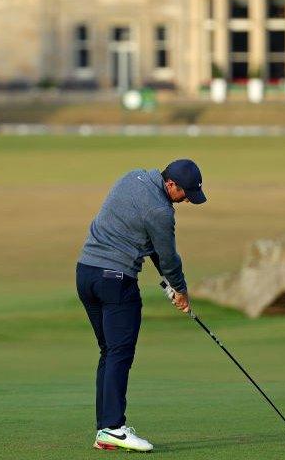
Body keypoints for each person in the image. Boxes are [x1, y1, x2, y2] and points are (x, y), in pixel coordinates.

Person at [76, 159, 206, 453]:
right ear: (171, 184)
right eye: (185, 193)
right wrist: (181, 290)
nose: (186, 199)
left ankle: (105, 430)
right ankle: (113, 428)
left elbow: (151, 247)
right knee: (119, 353)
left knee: (109, 351)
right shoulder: (160, 212)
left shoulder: (132, 176)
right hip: (115, 280)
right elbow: (168, 257)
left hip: (86, 274)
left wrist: (173, 286)